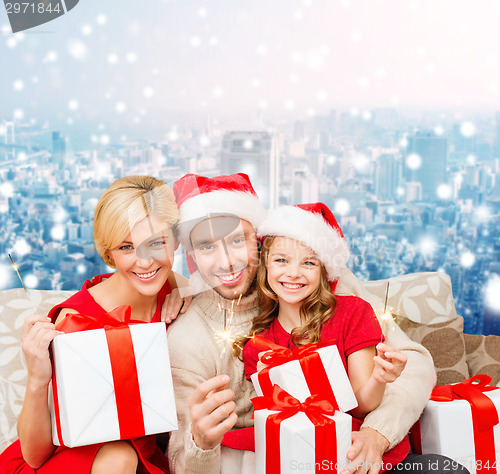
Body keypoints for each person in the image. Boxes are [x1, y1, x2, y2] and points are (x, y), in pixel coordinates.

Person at [166, 172, 465, 474]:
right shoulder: (187, 338)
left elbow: (413, 362)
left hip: (360, 450)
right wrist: (201, 442)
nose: (227, 261)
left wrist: (378, 433)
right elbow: (180, 460)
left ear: (258, 241)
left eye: (236, 240)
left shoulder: (322, 283)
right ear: (191, 254)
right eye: (206, 247)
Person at [0, 175, 187, 474]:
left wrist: (187, 292)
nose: (145, 262)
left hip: (142, 459)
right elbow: (35, 456)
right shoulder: (76, 322)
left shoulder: (175, 289)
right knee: (119, 455)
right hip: (68, 462)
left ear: (175, 240)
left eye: (156, 243)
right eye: (127, 247)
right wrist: (37, 379)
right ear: (108, 252)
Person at [238, 202, 409, 469]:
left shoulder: (353, 313)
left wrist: (379, 378)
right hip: (303, 458)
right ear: (265, 267)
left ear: (323, 271)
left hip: (357, 449)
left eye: (308, 262)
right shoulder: (258, 347)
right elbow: (282, 427)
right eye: (281, 260)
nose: (293, 273)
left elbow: (362, 405)